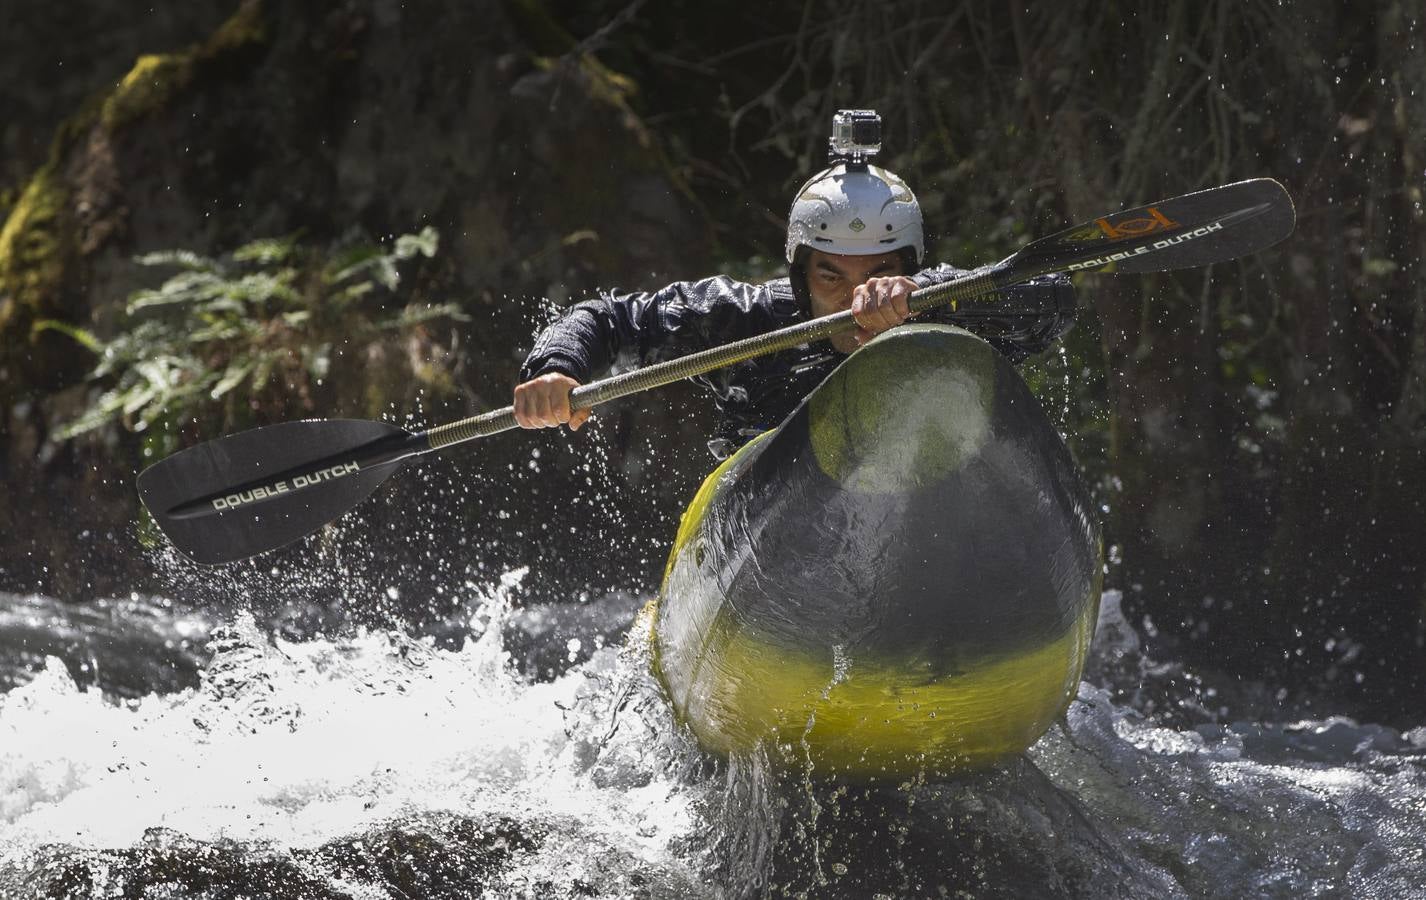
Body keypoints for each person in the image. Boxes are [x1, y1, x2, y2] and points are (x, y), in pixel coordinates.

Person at [514, 114, 1076, 459]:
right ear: (799, 277)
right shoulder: (746, 318)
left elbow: (1053, 297)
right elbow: (609, 319)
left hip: (922, 529)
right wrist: (557, 366)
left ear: (909, 267)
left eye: (877, 276)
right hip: (772, 549)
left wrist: (921, 296)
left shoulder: (945, 308)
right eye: (831, 276)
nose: (855, 298)